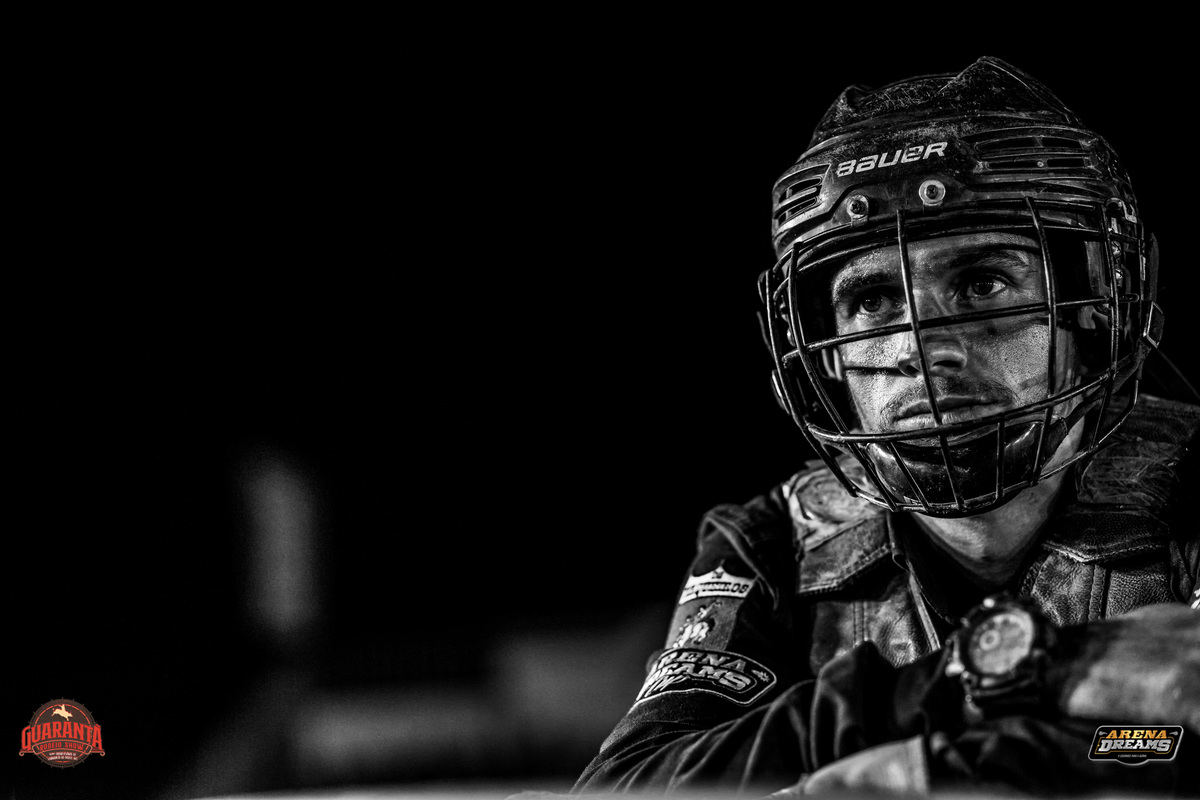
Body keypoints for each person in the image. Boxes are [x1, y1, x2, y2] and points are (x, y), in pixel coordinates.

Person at [572, 56, 1200, 796]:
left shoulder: (1189, 496)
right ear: (826, 350)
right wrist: (992, 678)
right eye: (871, 300)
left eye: (982, 282)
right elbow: (631, 786)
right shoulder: (777, 543)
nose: (921, 348)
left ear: (1095, 304)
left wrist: (863, 774)